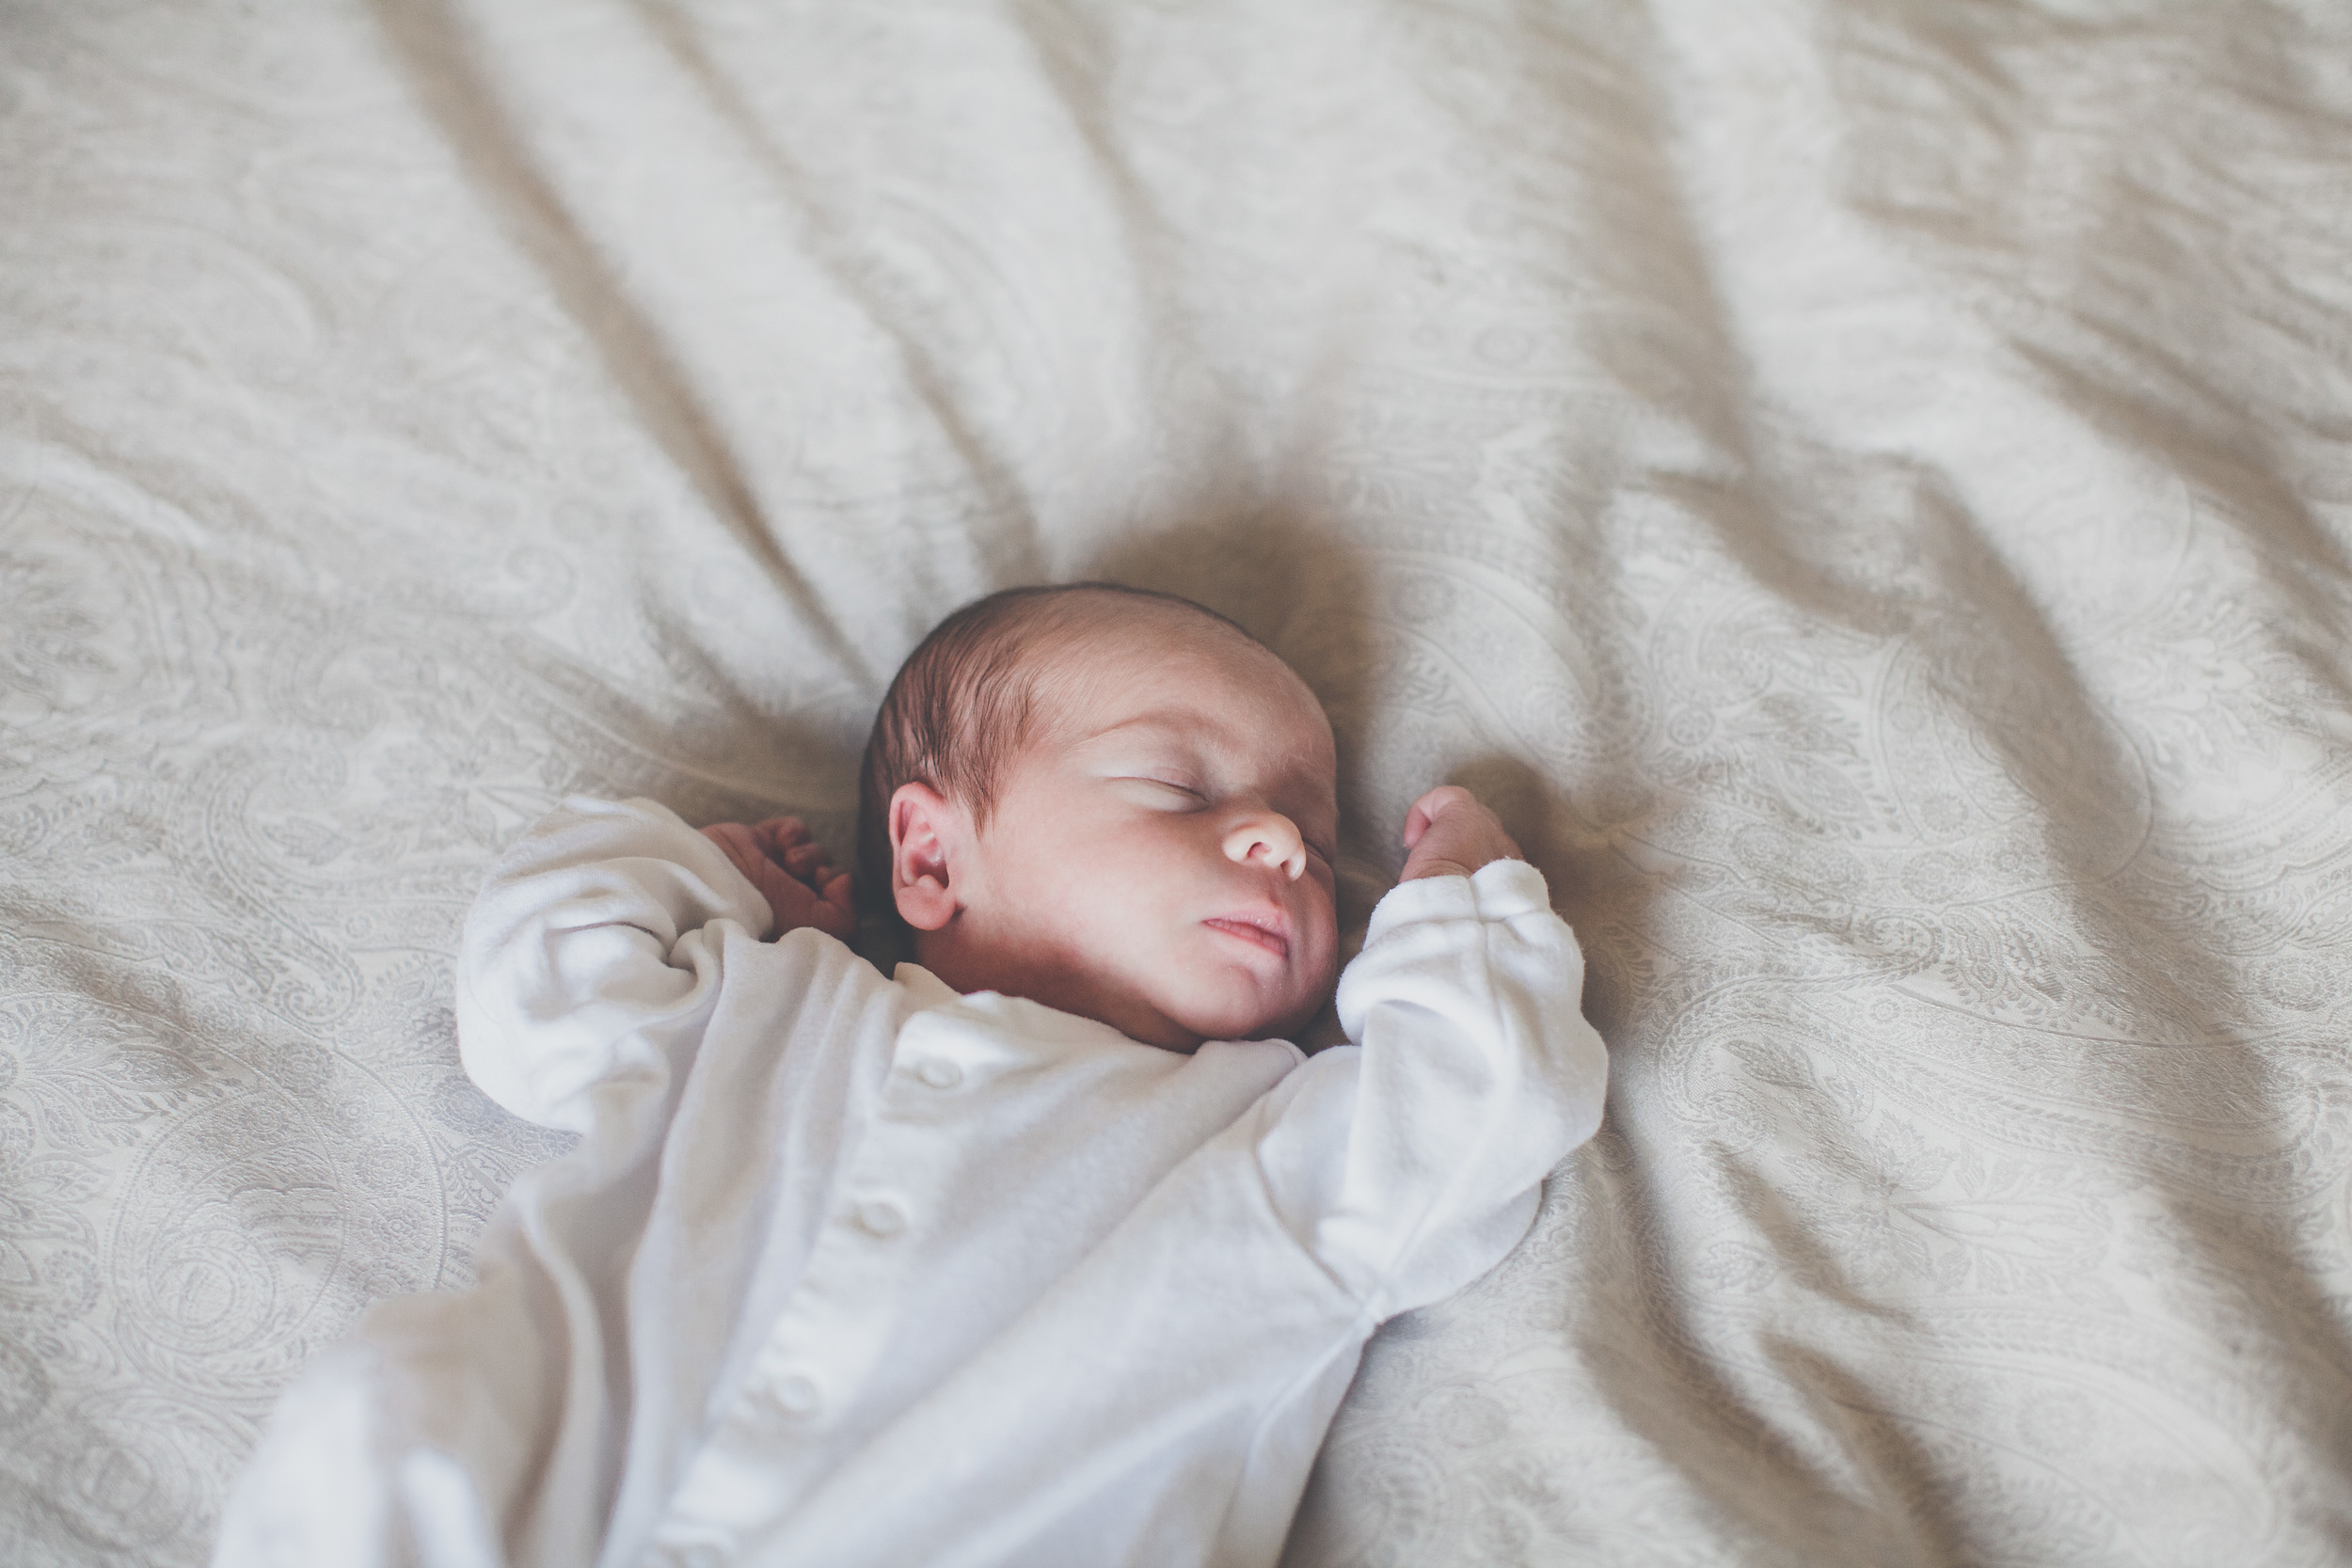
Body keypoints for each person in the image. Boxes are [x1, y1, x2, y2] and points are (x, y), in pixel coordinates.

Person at [213, 583, 1608, 1568]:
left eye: (1308, 827)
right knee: (382, 1420)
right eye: (1185, 792)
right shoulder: (758, 1005)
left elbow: (1475, 1109)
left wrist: (1465, 907)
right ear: (928, 857)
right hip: (529, 1515)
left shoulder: (1263, 1145)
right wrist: (707, 872)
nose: (1282, 848)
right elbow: (529, 991)